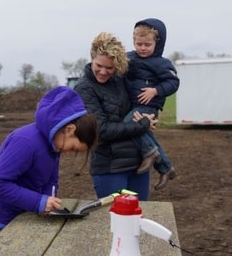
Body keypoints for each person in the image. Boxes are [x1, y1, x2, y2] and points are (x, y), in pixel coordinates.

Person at [0, 86, 98, 238]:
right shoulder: (25, 142)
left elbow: (51, 179)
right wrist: (38, 202)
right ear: (69, 129)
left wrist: (48, 200)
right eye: (73, 148)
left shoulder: (54, 142)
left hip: (22, 213)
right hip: (1, 218)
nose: (67, 154)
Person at [74, 32, 158, 201]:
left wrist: (151, 115)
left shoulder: (120, 80)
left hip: (137, 165)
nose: (104, 72)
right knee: (116, 222)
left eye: (109, 68)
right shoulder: (84, 88)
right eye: (99, 65)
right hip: (110, 169)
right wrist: (142, 125)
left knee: (138, 219)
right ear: (92, 58)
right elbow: (101, 130)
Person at [124, 18, 180, 190]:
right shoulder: (129, 58)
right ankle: (166, 168)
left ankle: (150, 153)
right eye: (139, 44)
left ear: (157, 43)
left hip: (149, 107)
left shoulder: (162, 64)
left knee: (127, 124)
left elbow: (173, 83)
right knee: (146, 135)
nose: (142, 48)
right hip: (134, 106)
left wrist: (155, 91)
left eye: (147, 44)